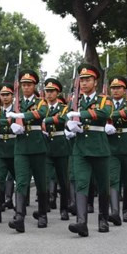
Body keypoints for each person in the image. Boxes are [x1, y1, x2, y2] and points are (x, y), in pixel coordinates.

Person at [65, 64, 113, 237]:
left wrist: (79, 115)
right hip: (80, 148)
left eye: (87, 80)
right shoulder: (75, 100)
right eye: (82, 80)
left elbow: (103, 113)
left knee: (102, 186)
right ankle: (81, 222)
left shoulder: (104, 99)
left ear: (95, 81)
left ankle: (103, 219)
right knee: (81, 183)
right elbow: (67, 115)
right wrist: (69, 124)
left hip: (99, 147)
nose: (84, 83)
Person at [5, 70, 48, 232]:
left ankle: (42, 214)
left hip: (37, 145)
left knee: (40, 181)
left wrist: (21, 115)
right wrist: (12, 124)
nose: (26, 87)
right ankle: (19, 217)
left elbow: (41, 113)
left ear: (34, 85)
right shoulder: (17, 102)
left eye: (29, 84)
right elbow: (9, 116)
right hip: (21, 147)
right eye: (24, 85)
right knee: (21, 181)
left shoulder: (40, 101)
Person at [105, 76, 127, 225]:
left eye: (118, 88)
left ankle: (126, 210)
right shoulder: (106, 103)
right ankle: (115, 212)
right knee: (113, 179)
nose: (115, 90)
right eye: (113, 88)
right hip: (111, 146)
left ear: (125, 90)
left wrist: (110, 115)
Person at [41, 78, 71, 221]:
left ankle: (64, 208)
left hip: (60, 146)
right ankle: (45, 207)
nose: (49, 94)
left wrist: (46, 120)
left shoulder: (64, 108)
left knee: (63, 180)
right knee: (45, 179)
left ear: (57, 92)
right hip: (45, 146)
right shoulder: (41, 108)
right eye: (47, 91)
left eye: (52, 91)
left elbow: (63, 119)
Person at [0, 82, 17, 213]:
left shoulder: (17, 110)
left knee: (19, 179)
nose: (5, 97)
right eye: (2, 95)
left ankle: (19, 207)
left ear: (12, 95)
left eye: (7, 94)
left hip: (14, 148)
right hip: (0, 148)